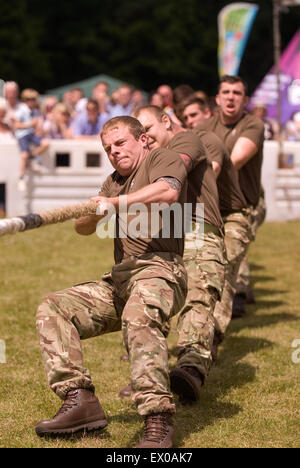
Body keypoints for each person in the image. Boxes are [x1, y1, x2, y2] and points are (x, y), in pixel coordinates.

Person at [35, 115, 190, 448]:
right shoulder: (113, 182)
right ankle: (80, 401)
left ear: (143, 140)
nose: (114, 152)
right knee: (53, 308)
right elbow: (82, 227)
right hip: (120, 281)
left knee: (139, 317)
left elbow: (168, 192)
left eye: (120, 143)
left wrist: (117, 204)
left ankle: (157, 420)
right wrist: (97, 210)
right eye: (108, 148)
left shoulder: (163, 159)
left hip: (160, 272)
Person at [126, 105, 226, 403]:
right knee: (147, 303)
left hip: (198, 228)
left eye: (148, 129)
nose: (145, 138)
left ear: (165, 121)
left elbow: (176, 169)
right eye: (139, 135)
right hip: (166, 236)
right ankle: (148, 378)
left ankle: (190, 370)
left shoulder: (187, 141)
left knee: (198, 297)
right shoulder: (147, 160)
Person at [181, 94, 252, 351]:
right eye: (186, 117)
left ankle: (211, 336)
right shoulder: (185, 143)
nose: (191, 121)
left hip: (231, 216)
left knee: (222, 267)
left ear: (208, 115)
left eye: (194, 115)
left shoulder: (207, 140)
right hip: (205, 219)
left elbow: (211, 173)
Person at [195, 75, 265, 317]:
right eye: (226, 92)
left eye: (237, 93)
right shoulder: (203, 128)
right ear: (217, 98)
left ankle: (226, 313)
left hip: (241, 206)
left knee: (229, 260)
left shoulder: (253, 125)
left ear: (245, 99)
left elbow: (234, 161)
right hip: (211, 205)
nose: (231, 97)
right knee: (206, 265)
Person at [13, 88, 49, 191]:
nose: (31, 101)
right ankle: (21, 178)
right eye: (28, 99)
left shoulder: (36, 111)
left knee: (45, 143)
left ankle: (31, 157)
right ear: (24, 100)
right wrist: (30, 124)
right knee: (24, 154)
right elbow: (17, 125)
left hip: (32, 134)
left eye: (33, 99)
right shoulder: (21, 110)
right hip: (23, 134)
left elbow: (38, 126)